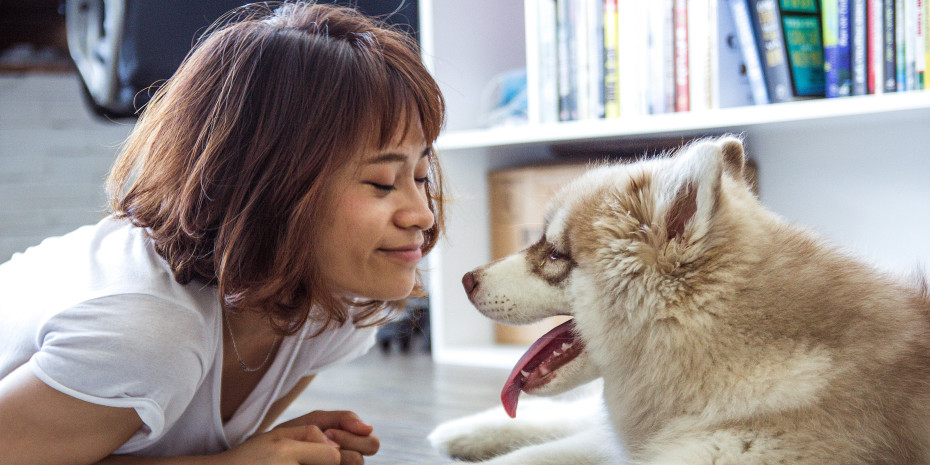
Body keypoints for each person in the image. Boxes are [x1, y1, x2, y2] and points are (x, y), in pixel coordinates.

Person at [0, 2, 445, 464]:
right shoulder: (147, 334)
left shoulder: (333, 307)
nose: (423, 215)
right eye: (380, 183)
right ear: (269, 184)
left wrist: (260, 448)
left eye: (420, 176)